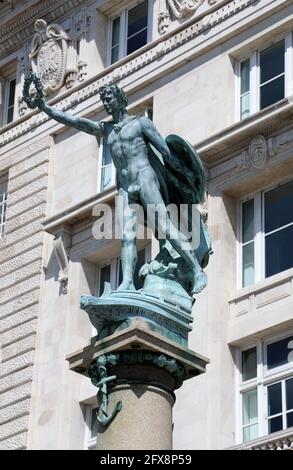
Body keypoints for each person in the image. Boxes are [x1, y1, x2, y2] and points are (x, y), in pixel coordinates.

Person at [23, 75, 209, 295]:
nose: (105, 104)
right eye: (104, 100)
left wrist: (183, 177)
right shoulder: (107, 129)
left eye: (109, 99)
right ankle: (127, 282)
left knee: (166, 227)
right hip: (124, 187)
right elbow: (75, 122)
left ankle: (197, 270)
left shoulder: (140, 123)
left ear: (120, 99)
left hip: (145, 178)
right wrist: (45, 107)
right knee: (127, 237)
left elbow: (166, 152)